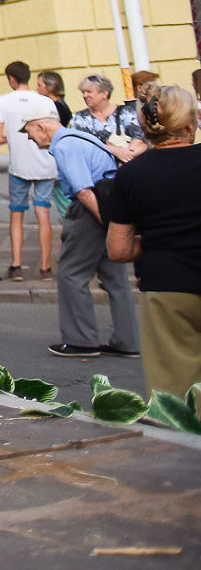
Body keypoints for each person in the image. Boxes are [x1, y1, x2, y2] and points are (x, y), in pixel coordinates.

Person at [20, 106, 139, 360]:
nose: (29, 138)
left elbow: (84, 191)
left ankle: (81, 341)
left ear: (41, 126)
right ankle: (128, 341)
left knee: (71, 273)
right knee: (115, 277)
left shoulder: (65, 146)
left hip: (90, 211)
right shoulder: (81, 136)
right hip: (109, 204)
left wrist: (106, 224)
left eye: (28, 131)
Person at [107, 85, 201, 399]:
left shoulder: (131, 175)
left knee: (175, 386)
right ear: (190, 126)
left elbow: (118, 250)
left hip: (167, 285)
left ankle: (183, 444)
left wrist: (161, 240)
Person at [0, 62, 56, 281]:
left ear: (11, 78)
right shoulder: (46, 101)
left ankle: (17, 265)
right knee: (43, 214)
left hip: (19, 166)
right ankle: (46, 267)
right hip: (46, 164)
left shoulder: (3, 102)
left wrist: (13, 135)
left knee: (17, 214)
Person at [74, 74, 147, 163]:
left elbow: (139, 137)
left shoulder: (125, 113)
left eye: (89, 92)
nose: (85, 95)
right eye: (83, 92)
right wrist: (115, 150)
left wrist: (128, 153)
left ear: (105, 93)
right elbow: (80, 146)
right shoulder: (79, 119)